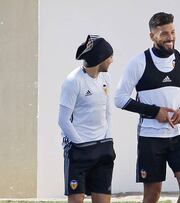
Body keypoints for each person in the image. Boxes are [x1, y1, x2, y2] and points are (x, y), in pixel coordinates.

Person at [114, 12, 180, 203]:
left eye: (172, 31)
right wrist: (155, 112)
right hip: (150, 138)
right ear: (152, 36)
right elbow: (120, 99)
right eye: (164, 33)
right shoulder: (138, 62)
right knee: (152, 195)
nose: (170, 37)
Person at [58, 35, 116, 203]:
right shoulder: (72, 81)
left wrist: (108, 139)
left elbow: (107, 112)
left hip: (102, 148)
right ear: (100, 58)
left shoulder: (106, 78)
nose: (112, 60)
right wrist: (82, 145)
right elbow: (63, 120)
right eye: (109, 56)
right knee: (76, 200)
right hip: (79, 151)